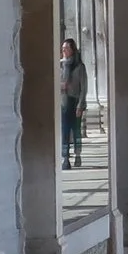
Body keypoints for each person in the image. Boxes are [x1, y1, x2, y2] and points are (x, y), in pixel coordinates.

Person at [59, 39, 89, 169]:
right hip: (63, 102)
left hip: (75, 101)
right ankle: (65, 158)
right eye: (63, 48)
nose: (64, 51)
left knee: (76, 130)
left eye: (66, 48)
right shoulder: (59, 65)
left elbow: (84, 88)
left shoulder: (79, 66)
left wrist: (80, 105)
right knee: (64, 130)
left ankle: (78, 155)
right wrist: (60, 85)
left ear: (72, 50)